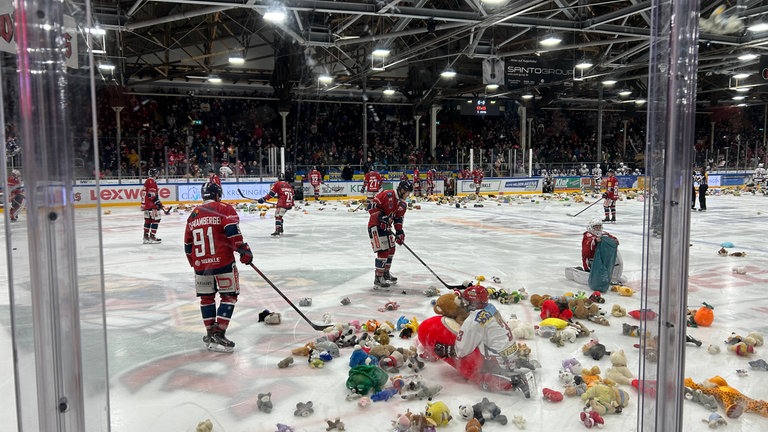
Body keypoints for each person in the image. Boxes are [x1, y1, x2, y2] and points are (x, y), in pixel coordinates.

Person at [424, 286, 532, 397]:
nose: (464, 303)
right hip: (511, 352)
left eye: (466, 301)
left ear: (472, 302)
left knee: (482, 381)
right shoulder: (491, 308)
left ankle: (513, 381)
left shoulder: (475, 320)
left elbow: (462, 349)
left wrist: (447, 350)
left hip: (499, 359)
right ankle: (515, 364)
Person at [184, 180, 253, 353]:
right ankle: (219, 333)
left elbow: (187, 244)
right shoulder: (224, 209)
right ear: (217, 194)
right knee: (229, 296)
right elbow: (233, 233)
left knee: (206, 299)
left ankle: (210, 333)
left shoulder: (193, 214)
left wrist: (195, 264)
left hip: (200, 266)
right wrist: (243, 250)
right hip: (222, 262)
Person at [367, 180, 412, 288]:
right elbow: (371, 207)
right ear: (402, 190)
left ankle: (385, 273)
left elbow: (398, 219)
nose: (408, 195)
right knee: (383, 251)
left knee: (392, 248)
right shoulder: (388, 194)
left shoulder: (403, 204)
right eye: (407, 193)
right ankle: (378, 277)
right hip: (375, 226)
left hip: (386, 227)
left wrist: (400, 232)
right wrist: (380, 216)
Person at [141, 168, 167, 244]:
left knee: (148, 220)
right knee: (156, 220)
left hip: (146, 205)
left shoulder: (147, 181)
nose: (157, 175)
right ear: (154, 174)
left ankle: (145, 237)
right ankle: (152, 236)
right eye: (156, 174)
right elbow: (151, 194)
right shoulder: (151, 182)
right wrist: (157, 203)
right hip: (151, 205)